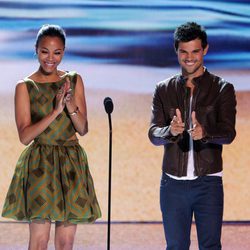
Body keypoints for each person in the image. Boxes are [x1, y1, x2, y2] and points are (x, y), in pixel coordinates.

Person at [2, 24, 101, 250]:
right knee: (39, 241)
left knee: (66, 243)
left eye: (57, 52)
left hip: (71, 163)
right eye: (45, 51)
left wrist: (69, 104)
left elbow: (83, 129)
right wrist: (55, 112)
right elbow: (25, 136)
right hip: (40, 165)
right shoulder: (25, 86)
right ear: (36, 49)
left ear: (63, 52)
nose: (51, 58)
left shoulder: (74, 80)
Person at [148, 22, 236, 250]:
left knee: (210, 245)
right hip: (172, 184)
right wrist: (170, 131)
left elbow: (228, 134)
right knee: (176, 246)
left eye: (195, 51)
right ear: (176, 50)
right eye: (183, 52)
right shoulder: (163, 89)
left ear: (205, 50)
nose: (189, 58)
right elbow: (153, 134)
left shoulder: (222, 88)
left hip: (209, 183)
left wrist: (205, 133)